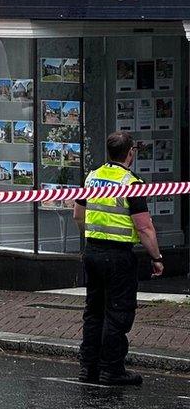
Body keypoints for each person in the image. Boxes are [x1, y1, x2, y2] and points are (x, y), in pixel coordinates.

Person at [73, 131, 164, 386]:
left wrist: (90, 237)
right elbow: (145, 228)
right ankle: (111, 369)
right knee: (117, 313)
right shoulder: (130, 182)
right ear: (130, 152)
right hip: (118, 256)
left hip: (93, 252)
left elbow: (77, 215)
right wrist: (156, 257)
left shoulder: (93, 177)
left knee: (93, 312)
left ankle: (88, 367)